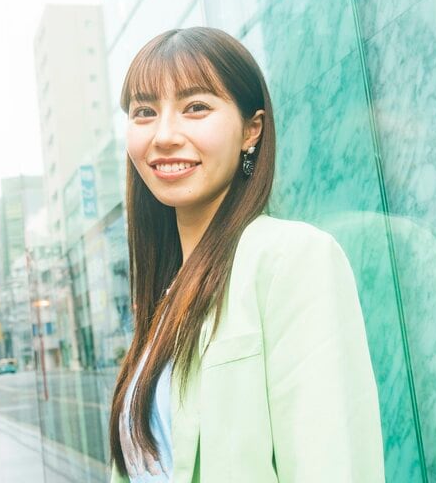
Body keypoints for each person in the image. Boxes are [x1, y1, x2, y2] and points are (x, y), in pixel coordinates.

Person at [109, 27, 384, 482]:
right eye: (144, 112)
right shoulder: (165, 297)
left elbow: (333, 465)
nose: (163, 134)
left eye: (196, 107)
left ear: (250, 130)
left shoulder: (291, 259)